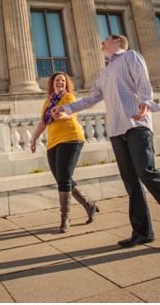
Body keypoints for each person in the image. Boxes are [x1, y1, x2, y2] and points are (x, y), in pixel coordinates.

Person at [52, 34, 160, 247]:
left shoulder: (131, 57)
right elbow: (91, 98)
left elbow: (143, 82)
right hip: (116, 129)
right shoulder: (103, 73)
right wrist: (65, 109)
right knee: (130, 181)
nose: (101, 41)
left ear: (118, 41)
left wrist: (146, 102)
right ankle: (142, 231)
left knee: (146, 172)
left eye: (106, 38)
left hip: (136, 124)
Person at [28, 71, 98, 233]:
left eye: (63, 81)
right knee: (62, 178)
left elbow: (69, 113)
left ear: (66, 84)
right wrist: (33, 139)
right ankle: (89, 205)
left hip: (71, 138)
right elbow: (42, 123)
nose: (60, 83)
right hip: (53, 142)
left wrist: (60, 114)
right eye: (57, 80)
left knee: (64, 180)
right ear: (52, 84)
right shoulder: (47, 103)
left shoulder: (68, 98)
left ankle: (65, 219)